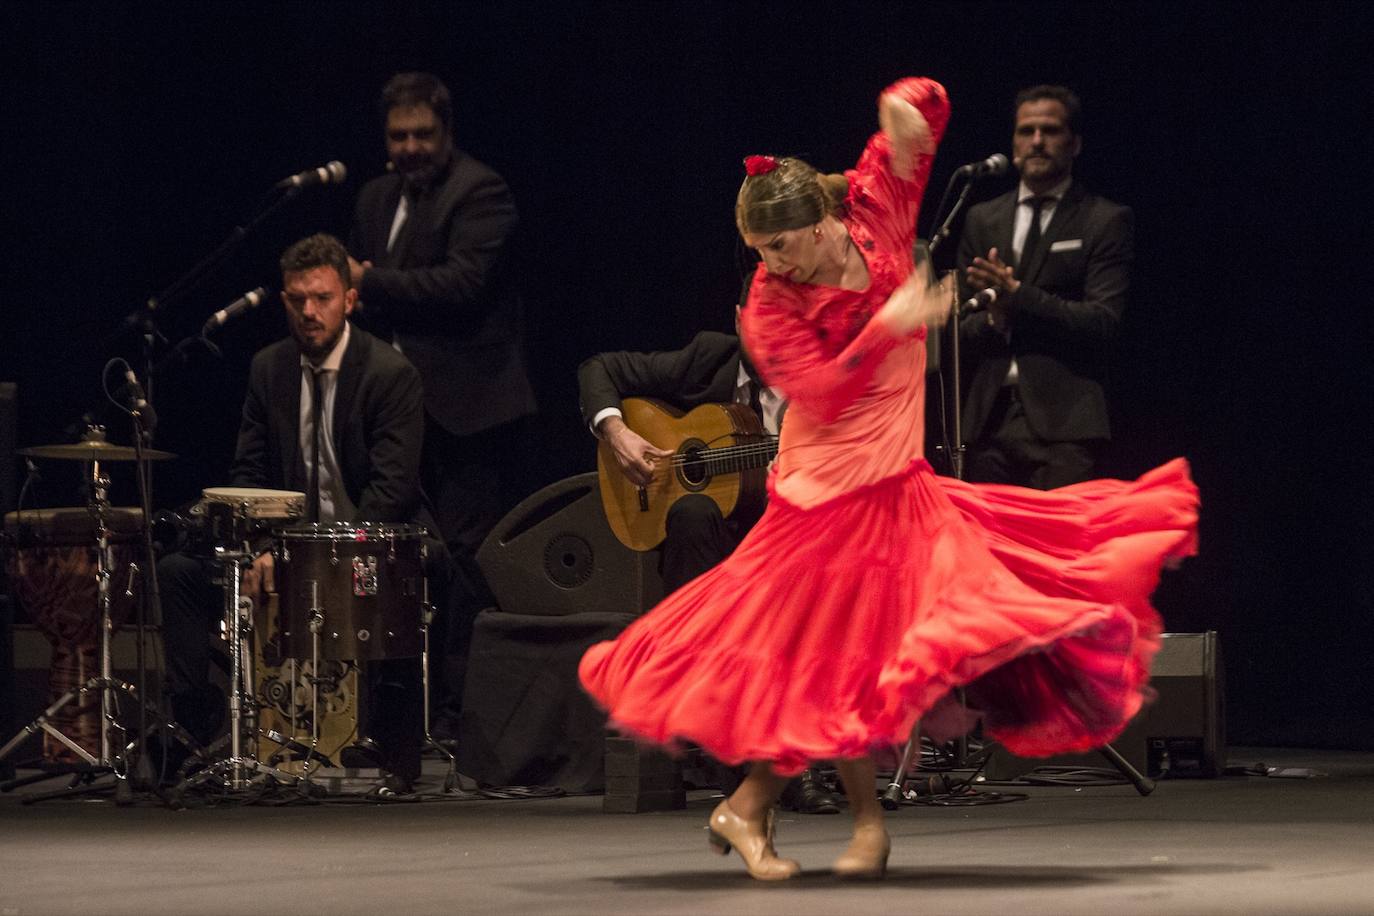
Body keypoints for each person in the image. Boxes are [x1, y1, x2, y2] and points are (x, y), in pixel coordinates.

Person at [578, 77, 1198, 881]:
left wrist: (905, 109)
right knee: (845, 662)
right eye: (759, 253)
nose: (769, 265)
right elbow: (820, 388)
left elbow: (919, 125)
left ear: (821, 221)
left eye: (782, 247)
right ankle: (814, 817)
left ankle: (791, 816)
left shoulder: (874, 211)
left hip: (893, 479)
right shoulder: (770, 303)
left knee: (867, 661)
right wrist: (891, 325)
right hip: (826, 487)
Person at [158, 233, 443, 793]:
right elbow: (249, 473)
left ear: (349, 301)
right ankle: (194, 722)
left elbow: (393, 489)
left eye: (322, 298)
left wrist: (314, 556)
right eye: (296, 300)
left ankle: (390, 741)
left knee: (408, 570)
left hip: (368, 539)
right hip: (283, 542)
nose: (309, 312)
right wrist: (264, 545)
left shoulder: (389, 373)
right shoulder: (270, 369)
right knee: (178, 574)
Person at [577, 305, 842, 814]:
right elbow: (599, 368)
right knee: (695, 511)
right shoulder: (706, 358)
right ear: (740, 319)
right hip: (711, 555)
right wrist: (618, 432)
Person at [348, 72, 536, 739]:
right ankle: (393, 720)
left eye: (422, 134)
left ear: (446, 132)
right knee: (390, 551)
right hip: (396, 410)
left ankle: (466, 717)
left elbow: (462, 284)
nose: (410, 147)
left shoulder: (481, 190)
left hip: (470, 406)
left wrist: (368, 281)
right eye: (398, 136)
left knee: (464, 557)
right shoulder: (375, 197)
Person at [956, 84, 1131, 488]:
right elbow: (957, 326)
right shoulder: (982, 218)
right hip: (987, 424)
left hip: (1065, 425)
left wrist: (1019, 297)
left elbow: (1103, 323)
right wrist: (994, 320)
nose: (1036, 141)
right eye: (1026, 130)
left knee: (1060, 550)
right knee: (986, 549)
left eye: (1050, 131)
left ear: (1075, 143)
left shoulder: (1103, 219)